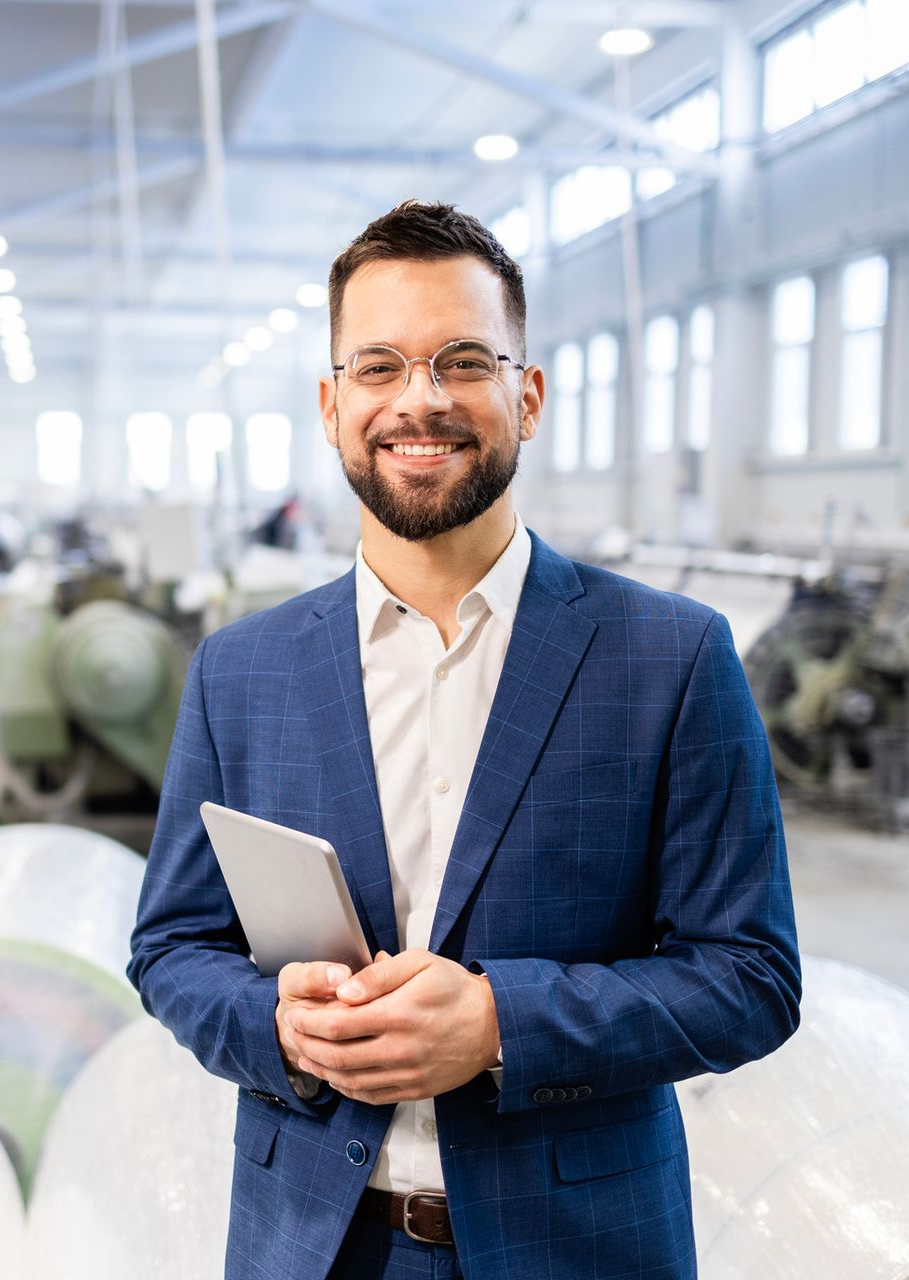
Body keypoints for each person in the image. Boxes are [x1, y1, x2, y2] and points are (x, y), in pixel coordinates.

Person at [129, 200, 800, 1280]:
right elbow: (169, 948)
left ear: (526, 395)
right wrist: (279, 1023)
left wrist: (500, 1022)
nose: (421, 400)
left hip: (578, 1250)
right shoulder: (239, 672)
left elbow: (751, 974)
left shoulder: (668, 658)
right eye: (380, 365)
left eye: (463, 360)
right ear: (333, 401)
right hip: (313, 1244)